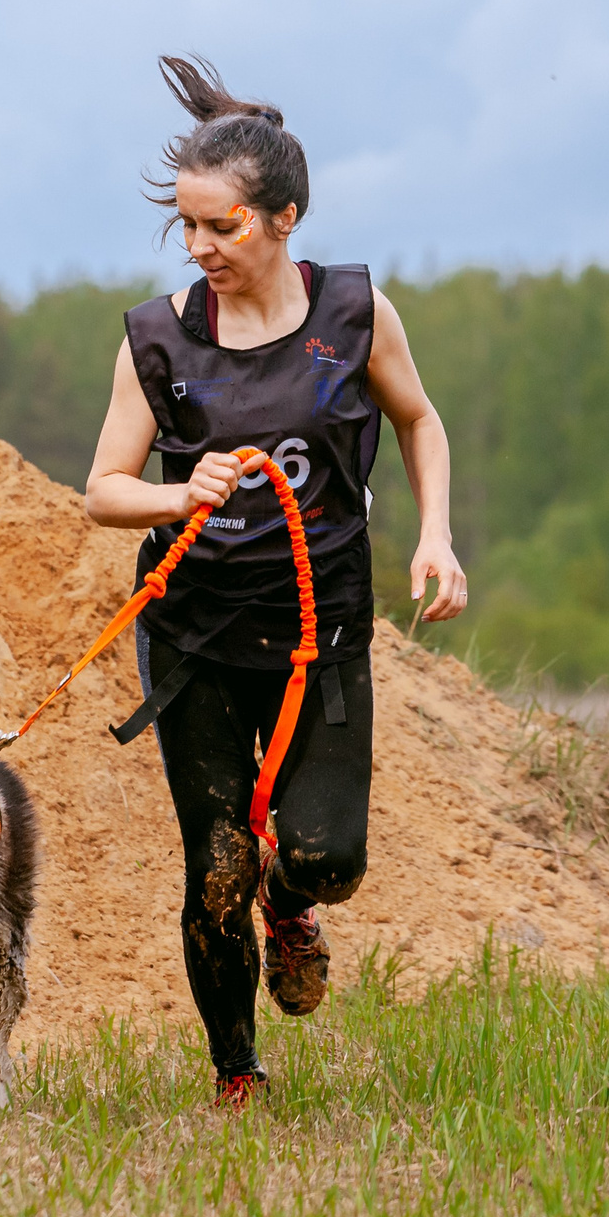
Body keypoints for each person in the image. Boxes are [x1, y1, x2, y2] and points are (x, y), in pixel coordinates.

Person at [86, 56, 467, 1107]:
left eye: (224, 226)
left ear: (285, 217)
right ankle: (236, 1078)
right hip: (195, 637)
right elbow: (104, 490)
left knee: (326, 856)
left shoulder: (356, 312)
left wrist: (435, 536)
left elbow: (419, 419)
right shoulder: (157, 339)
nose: (201, 247)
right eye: (187, 226)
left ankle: (291, 905)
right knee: (216, 869)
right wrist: (180, 493)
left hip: (320, 634)